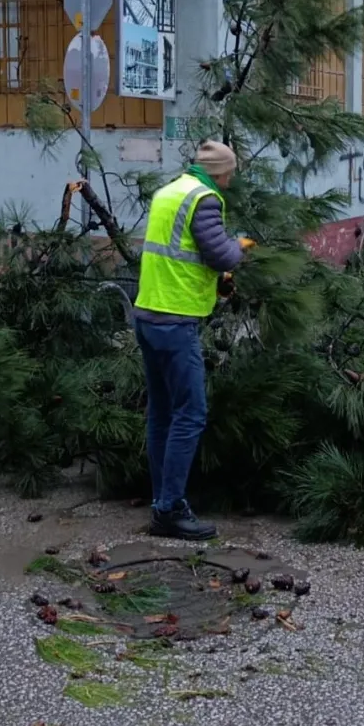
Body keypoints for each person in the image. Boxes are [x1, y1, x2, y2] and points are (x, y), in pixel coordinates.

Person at [132, 140, 248, 540]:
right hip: (174, 321)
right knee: (191, 413)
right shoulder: (204, 199)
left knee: (162, 414)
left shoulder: (170, 192)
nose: (230, 179)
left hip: (149, 313)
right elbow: (222, 256)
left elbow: (180, 255)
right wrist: (239, 247)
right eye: (230, 172)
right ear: (221, 171)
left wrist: (214, 284)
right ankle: (169, 510)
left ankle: (161, 502)